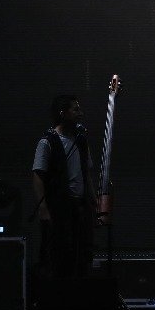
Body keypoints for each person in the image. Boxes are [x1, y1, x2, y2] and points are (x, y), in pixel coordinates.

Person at [30, 93, 101, 281]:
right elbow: (38, 175)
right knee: (62, 252)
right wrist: (43, 208)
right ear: (63, 113)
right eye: (75, 109)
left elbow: (86, 172)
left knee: (83, 250)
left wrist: (93, 200)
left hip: (81, 205)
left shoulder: (81, 141)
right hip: (60, 207)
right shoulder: (47, 142)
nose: (80, 113)